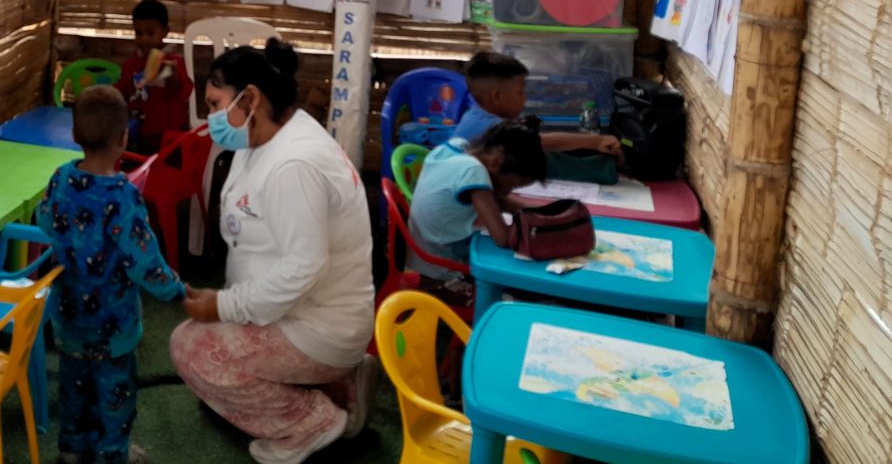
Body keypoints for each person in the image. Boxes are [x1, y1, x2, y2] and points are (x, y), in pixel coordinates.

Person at [171, 41, 378, 464]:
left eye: (215, 104)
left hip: (319, 326)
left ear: (250, 99)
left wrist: (226, 306)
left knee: (190, 349)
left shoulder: (293, 166)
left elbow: (304, 266)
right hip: (307, 314)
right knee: (209, 362)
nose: (210, 117)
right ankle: (341, 387)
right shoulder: (270, 137)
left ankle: (311, 422)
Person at [37, 84, 185, 464]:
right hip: (113, 327)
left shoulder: (60, 179)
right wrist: (178, 292)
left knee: (73, 387)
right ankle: (112, 455)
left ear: (73, 135)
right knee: (114, 396)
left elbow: (44, 221)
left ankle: (71, 450)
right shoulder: (124, 197)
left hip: (68, 319)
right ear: (124, 138)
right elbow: (145, 263)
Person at [407, 119, 547, 286]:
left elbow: (500, 202)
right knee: (522, 279)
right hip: (441, 273)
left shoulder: (455, 148)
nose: (510, 191)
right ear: (496, 161)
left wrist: (544, 214)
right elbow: (502, 238)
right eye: (514, 184)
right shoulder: (473, 171)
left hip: (421, 257)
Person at [450, 51, 622, 156]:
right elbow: (548, 142)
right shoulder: (490, 128)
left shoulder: (475, 113)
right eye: (520, 92)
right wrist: (597, 141)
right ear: (497, 97)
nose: (525, 98)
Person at [116, 0, 194, 154]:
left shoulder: (174, 62)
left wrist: (169, 74)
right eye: (138, 33)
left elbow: (182, 91)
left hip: (167, 135)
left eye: (150, 33)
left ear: (165, 31)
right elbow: (121, 91)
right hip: (137, 133)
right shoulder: (130, 65)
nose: (144, 38)